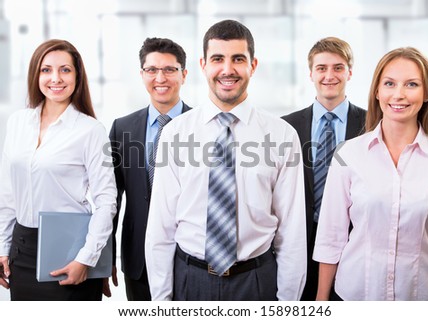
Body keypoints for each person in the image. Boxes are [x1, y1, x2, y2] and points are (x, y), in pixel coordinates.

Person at [145, 19, 307, 301]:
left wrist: (287, 305)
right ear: (203, 64)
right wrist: (161, 303)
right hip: (189, 279)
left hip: (256, 281)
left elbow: (292, 233)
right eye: (218, 58)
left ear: (253, 65)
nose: (227, 70)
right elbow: (161, 227)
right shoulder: (175, 133)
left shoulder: (282, 135)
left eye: (238, 59)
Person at [314, 47, 428, 300]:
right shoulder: (349, 154)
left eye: (411, 84)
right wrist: (321, 304)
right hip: (356, 296)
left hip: (423, 299)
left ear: (427, 92)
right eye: (389, 83)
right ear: (377, 91)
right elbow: (331, 238)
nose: (398, 94)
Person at [0, 39, 117, 300]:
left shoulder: (90, 130)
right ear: (36, 74)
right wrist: (2, 247)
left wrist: (86, 258)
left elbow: (106, 200)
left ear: (77, 75)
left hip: (69, 253)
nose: (56, 78)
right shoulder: (18, 122)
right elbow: (8, 194)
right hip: (22, 250)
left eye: (65, 69)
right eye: (46, 70)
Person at [282, 36, 366, 300]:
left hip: (355, 242)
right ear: (311, 74)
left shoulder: (372, 124)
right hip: (299, 242)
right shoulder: (287, 127)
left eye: (338, 67)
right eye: (321, 68)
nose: (329, 75)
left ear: (349, 72)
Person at [108, 37, 191, 300]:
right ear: (142, 75)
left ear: (184, 74)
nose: (160, 78)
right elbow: (111, 199)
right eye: (152, 70)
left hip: (190, 256)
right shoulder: (123, 129)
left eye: (169, 69)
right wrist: (105, 257)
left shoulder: (203, 127)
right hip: (138, 257)